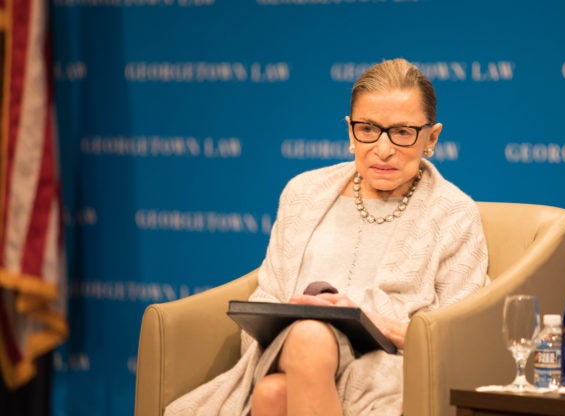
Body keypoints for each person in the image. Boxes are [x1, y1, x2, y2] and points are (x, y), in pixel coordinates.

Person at [164, 58, 489, 416]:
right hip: (290, 351)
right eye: (368, 129)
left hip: (386, 365)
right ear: (351, 131)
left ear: (431, 138)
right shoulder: (303, 193)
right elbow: (268, 295)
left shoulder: (453, 213)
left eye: (402, 132)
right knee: (307, 338)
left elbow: (462, 338)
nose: (383, 149)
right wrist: (294, 311)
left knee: (274, 393)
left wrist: (378, 322)